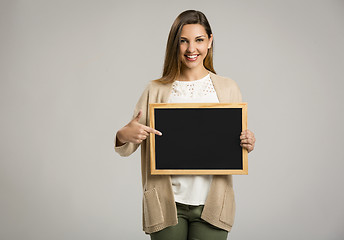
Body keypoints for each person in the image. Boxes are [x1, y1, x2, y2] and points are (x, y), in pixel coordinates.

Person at [114, 10, 256, 240]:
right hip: (167, 203)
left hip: (213, 203)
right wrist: (123, 134)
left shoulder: (228, 88)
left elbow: (234, 144)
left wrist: (247, 142)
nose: (192, 49)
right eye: (184, 41)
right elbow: (127, 144)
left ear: (210, 41)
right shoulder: (155, 90)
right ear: (175, 44)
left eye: (199, 40)